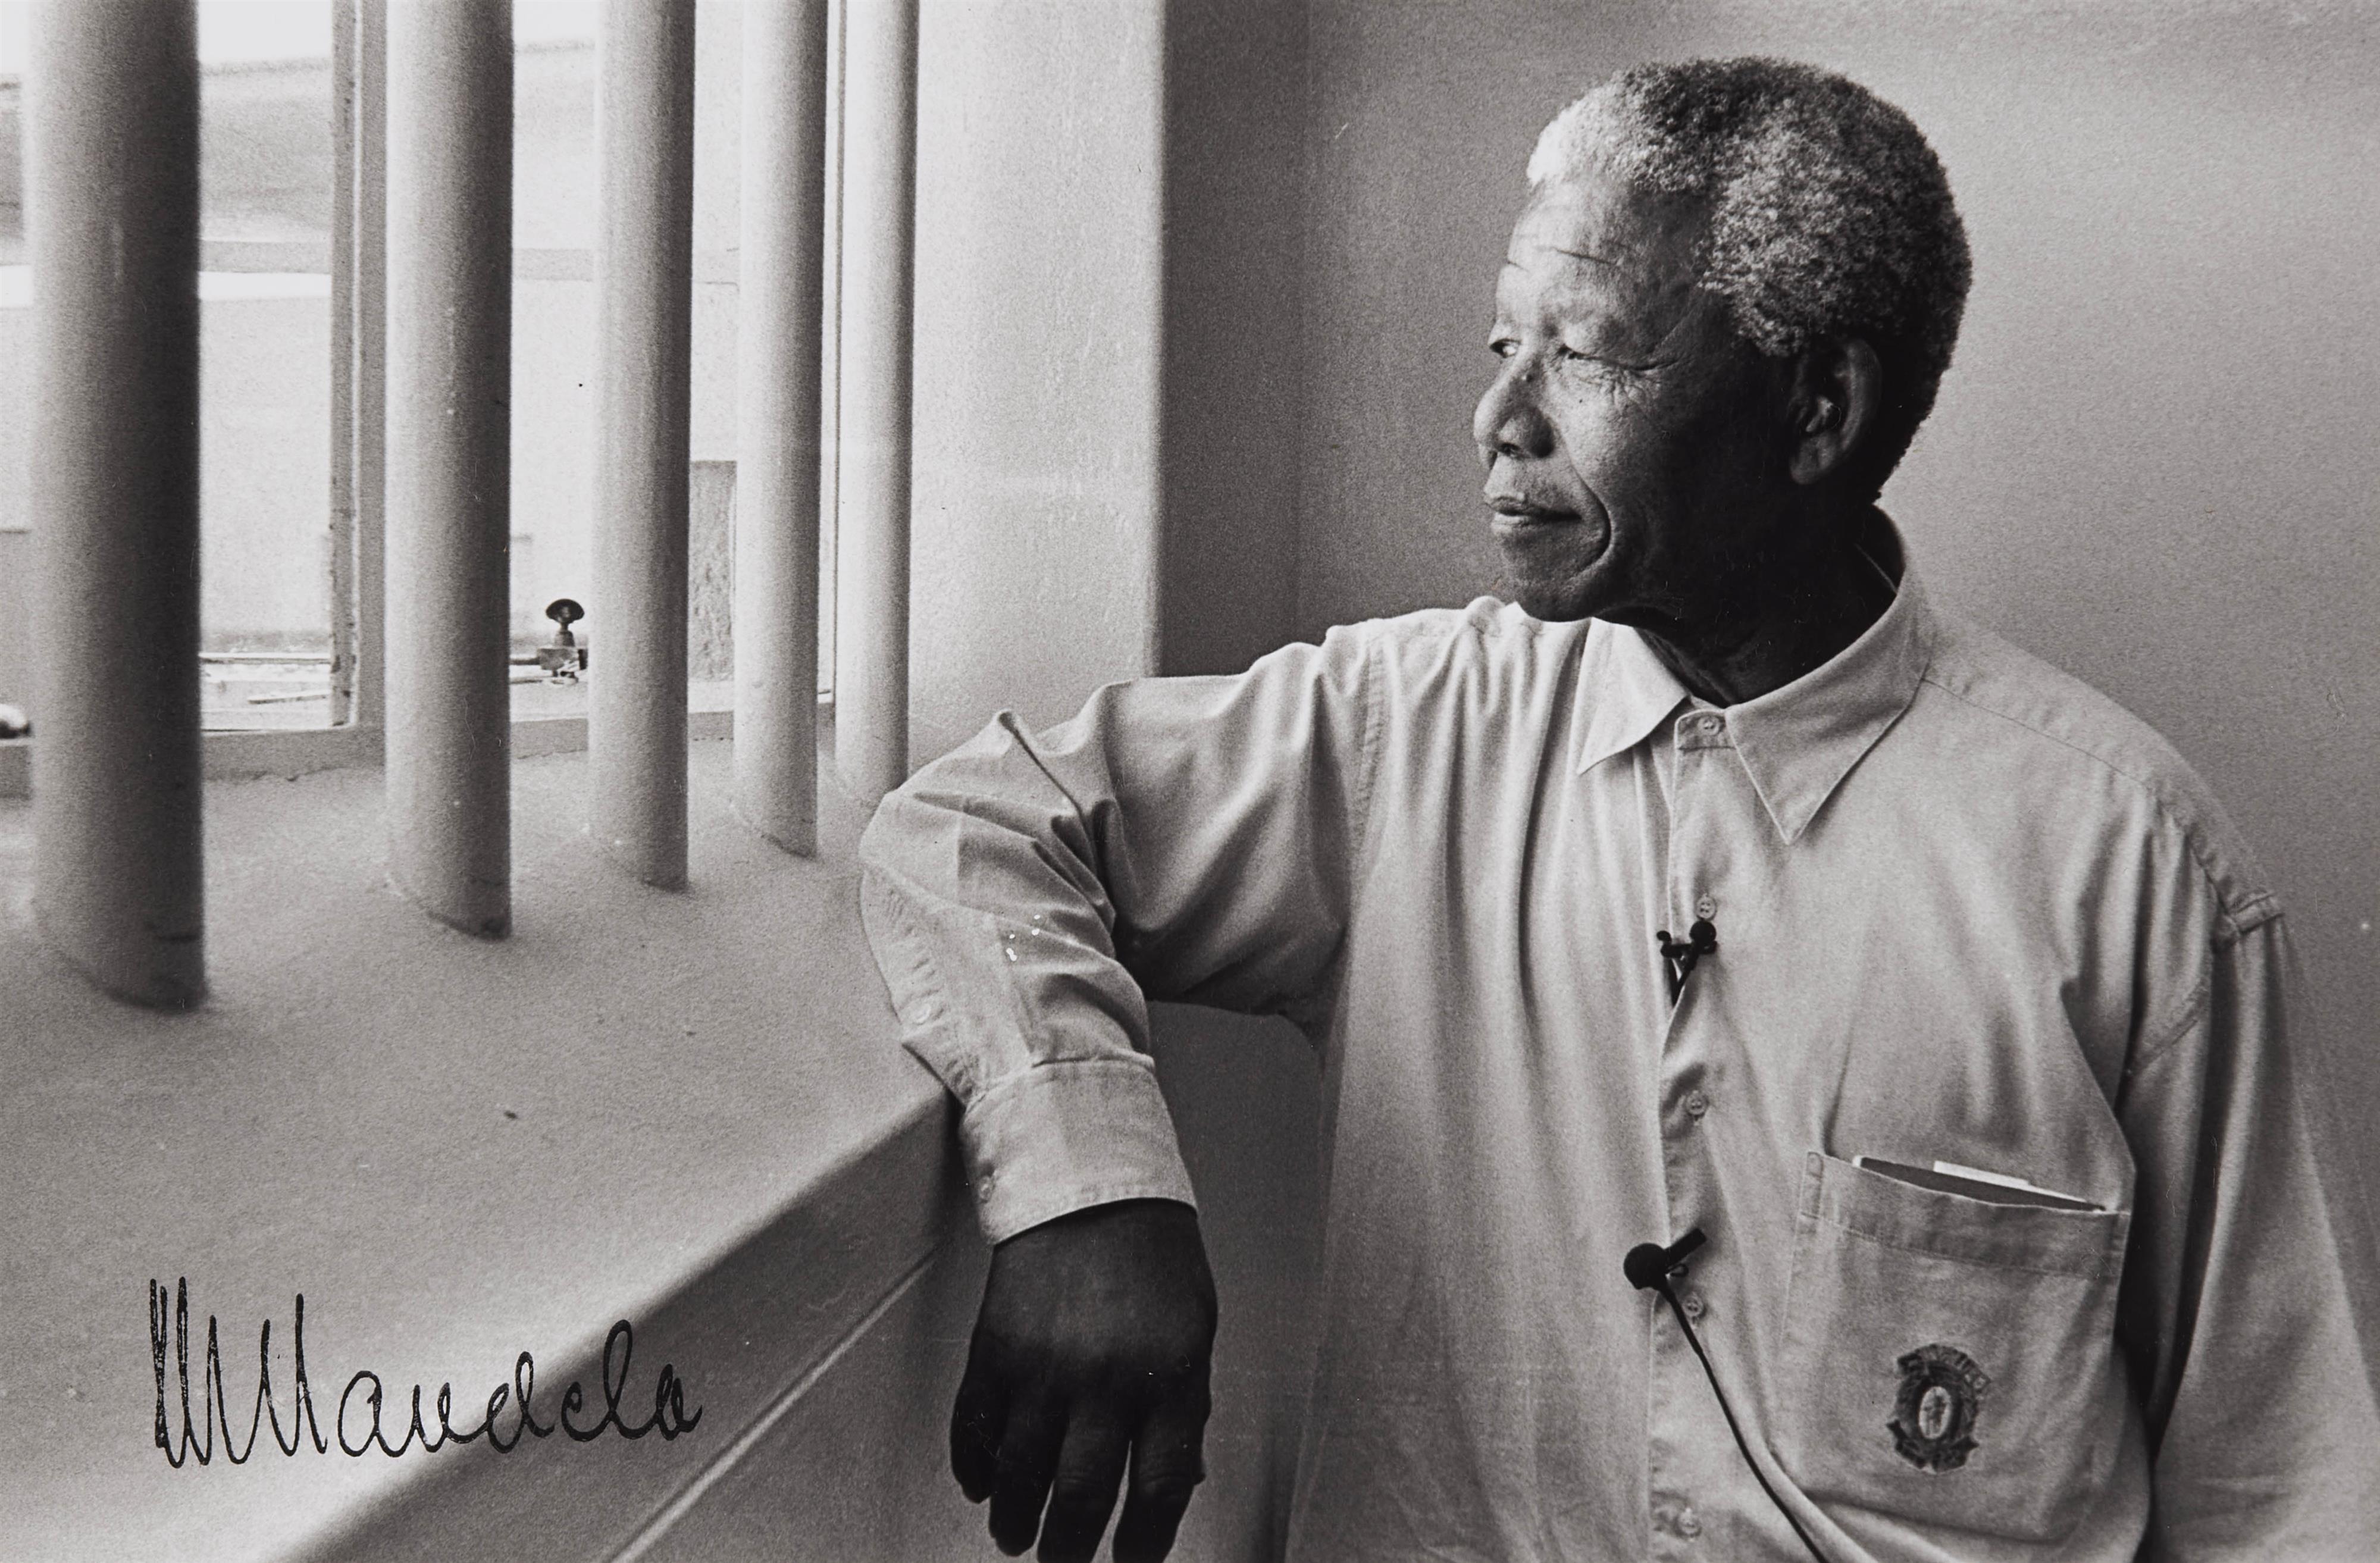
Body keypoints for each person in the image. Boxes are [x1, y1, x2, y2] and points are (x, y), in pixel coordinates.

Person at [858, 57, 2378, 1563]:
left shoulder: (2127, 864)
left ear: (1816, 411)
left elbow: (2285, 1495)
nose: (1496, 415)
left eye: (1583, 358)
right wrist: (1087, 1187)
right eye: (1502, 343)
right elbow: (977, 826)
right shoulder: (1403, 732)